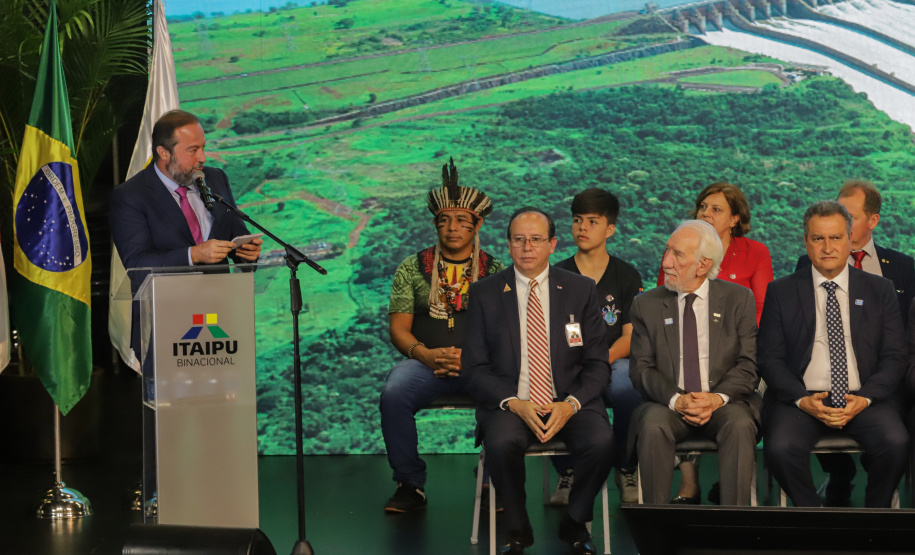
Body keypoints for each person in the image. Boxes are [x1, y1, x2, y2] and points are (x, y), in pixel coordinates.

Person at [463, 207, 613, 555]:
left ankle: (575, 522)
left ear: (552, 244)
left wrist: (570, 404)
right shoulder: (485, 293)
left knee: (603, 441)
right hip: (511, 402)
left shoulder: (580, 290)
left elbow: (597, 364)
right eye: (518, 240)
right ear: (508, 245)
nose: (527, 247)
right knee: (500, 444)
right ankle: (517, 529)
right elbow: (473, 368)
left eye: (535, 240)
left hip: (569, 399)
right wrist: (514, 402)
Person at [759, 201, 908, 508]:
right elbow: (769, 358)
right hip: (801, 399)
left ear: (849, 238)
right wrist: (802, 399)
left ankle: (872, 521)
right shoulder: (781, 291)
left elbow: (895, 356)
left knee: (895, 443)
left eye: (835, 237)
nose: (827, 247)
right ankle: (814, 519)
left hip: (864, 397)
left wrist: (865, 398)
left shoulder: (880, 290)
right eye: (818, 238)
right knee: (780, 447)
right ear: (806, 242)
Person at [379, 158, 503, 513]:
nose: (452, 228)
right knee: (394, 392)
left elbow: (503, 333)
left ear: (476, 225)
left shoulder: (493, 271)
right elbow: (399, 328)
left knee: (503, 390)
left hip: (477, 365)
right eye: (444, 220)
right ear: (436, 225)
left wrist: (472, 358)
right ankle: (409, 484)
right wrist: (426, 355)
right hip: (424, 362)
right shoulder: (411, 267)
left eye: (462, 221)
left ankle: (494, 479)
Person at [795, 181, 915, 506]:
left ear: (872, 221)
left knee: (895, 426)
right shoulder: (808, 265)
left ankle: (876, 507)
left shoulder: (903, 268)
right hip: (829, 375)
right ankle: (839, 473)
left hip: (890, 376)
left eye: (847, 215)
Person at [655, 182, 772, 503]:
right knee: (683, 380)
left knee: (742, 399)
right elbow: (662, 308)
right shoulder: (679, 250)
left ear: (735, 218)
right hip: (686, 355)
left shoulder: (754, 252)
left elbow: (763, 309)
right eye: (703, 207)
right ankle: (689, 481)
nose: (706, 213)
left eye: (716, 209)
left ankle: (734, 484)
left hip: (737, 357)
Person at [110, 110, 262, 355]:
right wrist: (193, 255)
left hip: (221, 325)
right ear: (163, 152)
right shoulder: (131, 196)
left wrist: (247, 252)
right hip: (164, 326)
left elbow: (235, 232)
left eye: (203, 148)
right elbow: (137, 264)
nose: (202, 157)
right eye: (192, 150)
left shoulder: (215, 178)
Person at [631, 220, 761, 506]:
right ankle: (657, 529)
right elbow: (641, 369)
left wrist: (716, 398)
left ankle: (736, 530)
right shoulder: (646, 304)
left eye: (677, 255)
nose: (666, 262)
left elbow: (748, 364)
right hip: (668, 404)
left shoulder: (738, 299)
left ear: (703, 265)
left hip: (722, 403)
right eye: (667, 251)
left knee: (740, 424)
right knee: (652, 424)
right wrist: (677, 400)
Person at [548, 188, 643, 505]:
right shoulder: (556, 275)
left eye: (592, 221)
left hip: (614, 358)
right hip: (570, 361)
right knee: (554, 387)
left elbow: (630, 336)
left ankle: (626, 466)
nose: (582, 228)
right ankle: (568, 470)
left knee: (628, 389)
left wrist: (603, 358)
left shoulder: (626, 274)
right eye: (577, 220)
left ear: (610, 229)